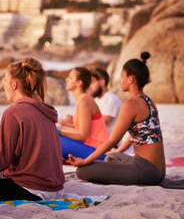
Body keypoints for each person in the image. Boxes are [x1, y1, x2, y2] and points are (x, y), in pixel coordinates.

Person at [0, 58, 65, 201]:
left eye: (5, 79)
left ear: (14, 84)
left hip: (31, 191)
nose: (3, 84)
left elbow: (2, 162)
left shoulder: (13, 113)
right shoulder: (46, 111)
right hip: (56, 190)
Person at [70, 52, 166, 185]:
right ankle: (119, 161)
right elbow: (137, 135)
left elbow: (112, 140)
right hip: (160, 171)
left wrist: (85, 161)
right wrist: (118, 150)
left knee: (82, 171)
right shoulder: (149, 101)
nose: (120, 80)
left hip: (146, 171)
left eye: (122, 77)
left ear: (130, 79)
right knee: (113, 155)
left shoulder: (130, 104)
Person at [57, 67, 109, 161]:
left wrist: (59, 132)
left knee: (54, 139)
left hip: (98, 152)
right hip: (91, 148)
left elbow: (82, 136)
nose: (66, 79)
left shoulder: (84, 101)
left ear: (79, 83)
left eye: (70, 77)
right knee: (52, 135)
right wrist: (60, 128)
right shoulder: (83, 100)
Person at [88, 67, 123, 131]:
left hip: (106, 140)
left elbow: (100, 124)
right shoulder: (96, 100)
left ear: (102, 82)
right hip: (95, 138)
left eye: (92, 83)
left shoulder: (111, 99)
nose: (89, 86)